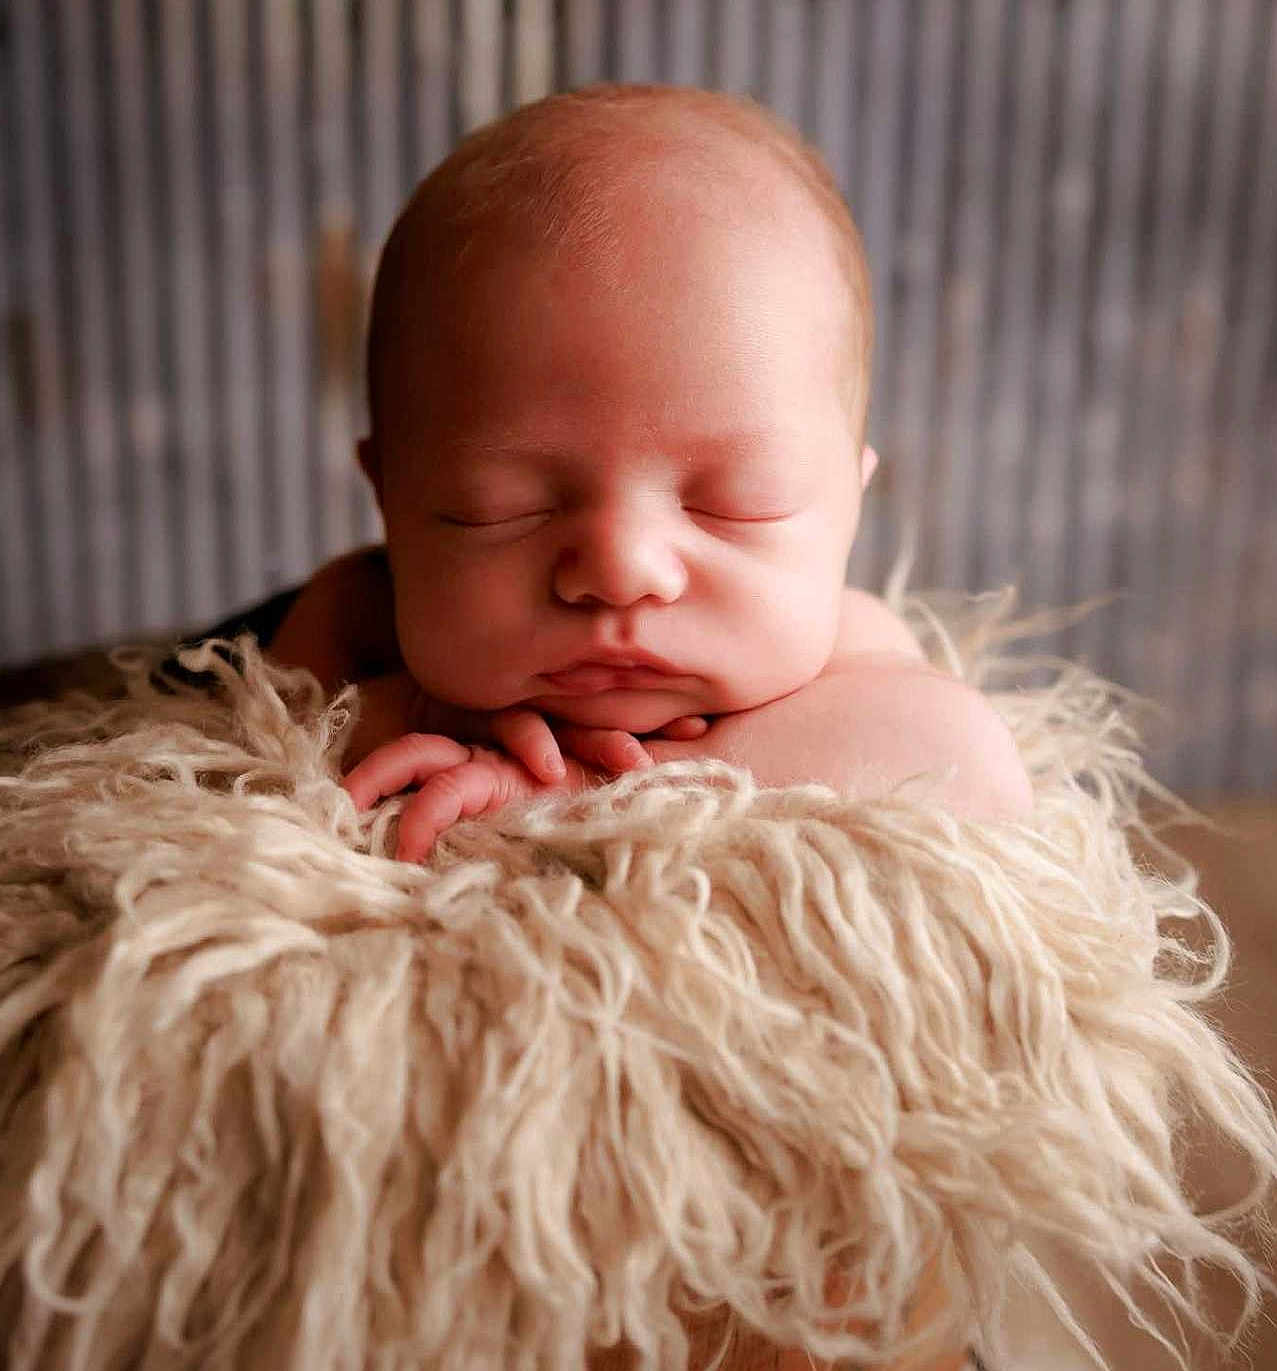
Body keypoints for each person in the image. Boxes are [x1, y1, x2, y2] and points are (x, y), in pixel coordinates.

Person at [270, 82, 1031, 869]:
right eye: (498, 508)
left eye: (735, 502)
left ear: (849, 503)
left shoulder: (850, 659)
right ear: (390, 501)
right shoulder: (359, 611)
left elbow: (971, 764)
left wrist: (602, 782)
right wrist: (407, 713)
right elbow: (269, 726)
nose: (619, 568)